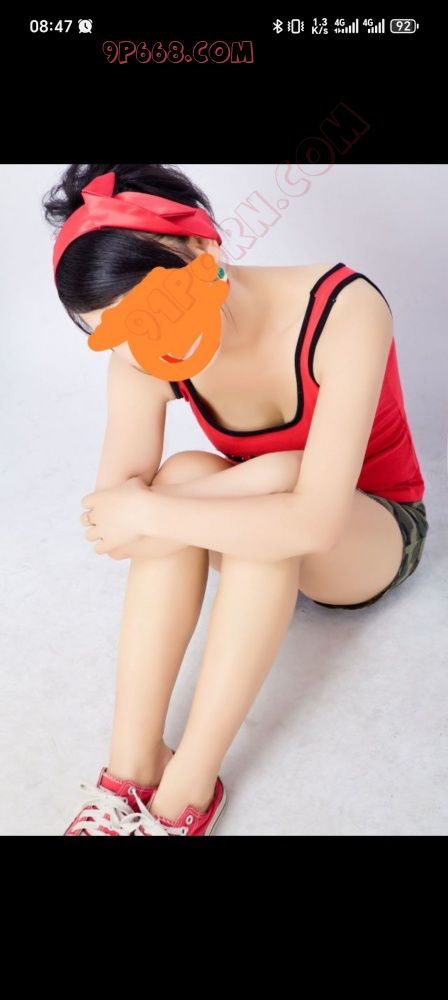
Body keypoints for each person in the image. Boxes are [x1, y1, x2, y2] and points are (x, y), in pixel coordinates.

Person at [43, 163, 429, 836]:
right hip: (267, 516)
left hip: (366, 532)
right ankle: (132, 767)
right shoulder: (138, 360)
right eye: (116, 334)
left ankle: (187, 789)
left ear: (203, 249)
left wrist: (154, 507)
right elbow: (115, 526)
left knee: (225, 499)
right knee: (193, 474)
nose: (144, 348)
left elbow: (314, 522)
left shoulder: (342, 308)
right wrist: (264, 477)